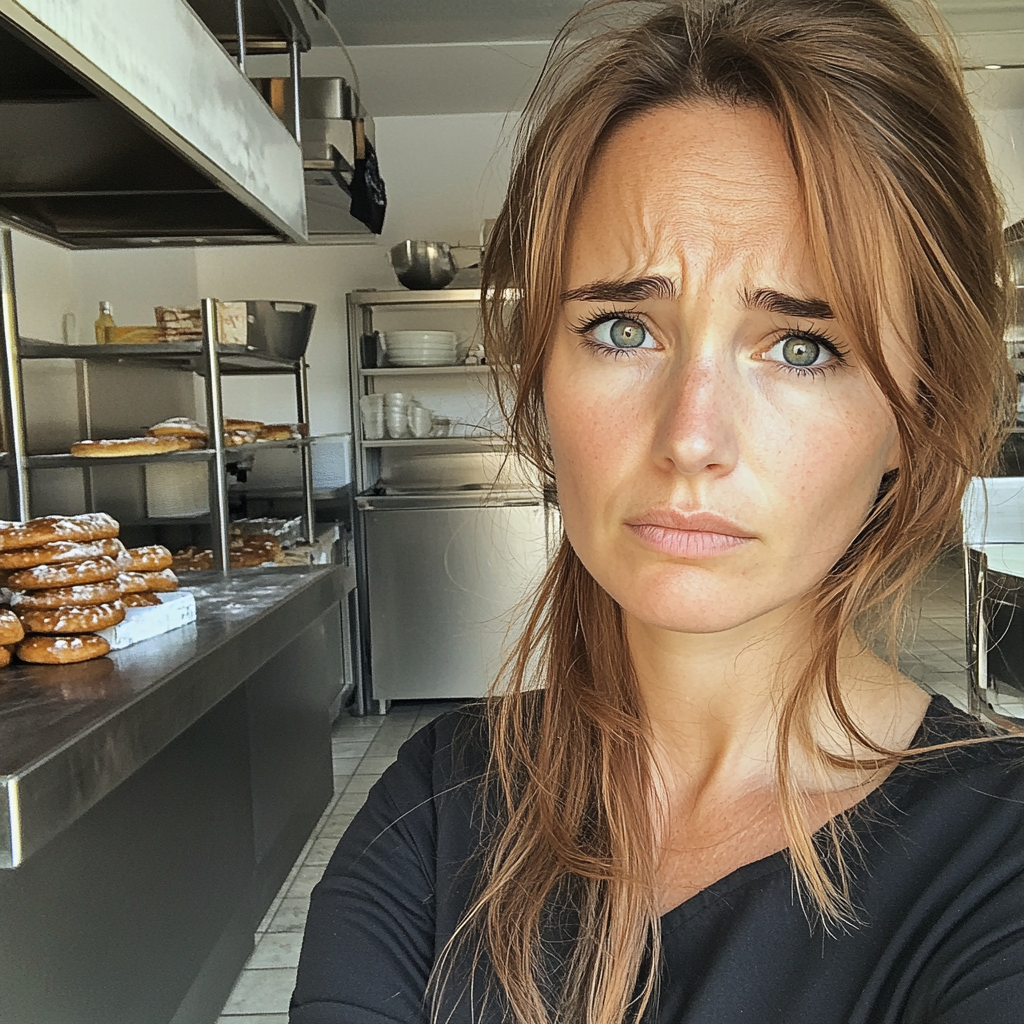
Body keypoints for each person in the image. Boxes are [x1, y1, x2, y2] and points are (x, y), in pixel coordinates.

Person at [291, 1, 1023, 1021]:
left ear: (914, 412)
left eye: (801, 346)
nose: (689, 435)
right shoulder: (434, 810)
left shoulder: (997, 869)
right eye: (623, 327)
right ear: (542, 369)